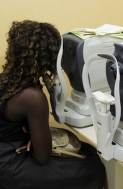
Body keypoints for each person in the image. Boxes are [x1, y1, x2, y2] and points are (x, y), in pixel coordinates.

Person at [0, 20, 105, 189]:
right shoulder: (33, 97)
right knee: (92, 168)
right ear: (48, 56)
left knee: (89, 150)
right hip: (9, 163)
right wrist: (33, 139)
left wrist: (31, 136)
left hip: (9, 148)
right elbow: (42, 156)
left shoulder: (6, 79)